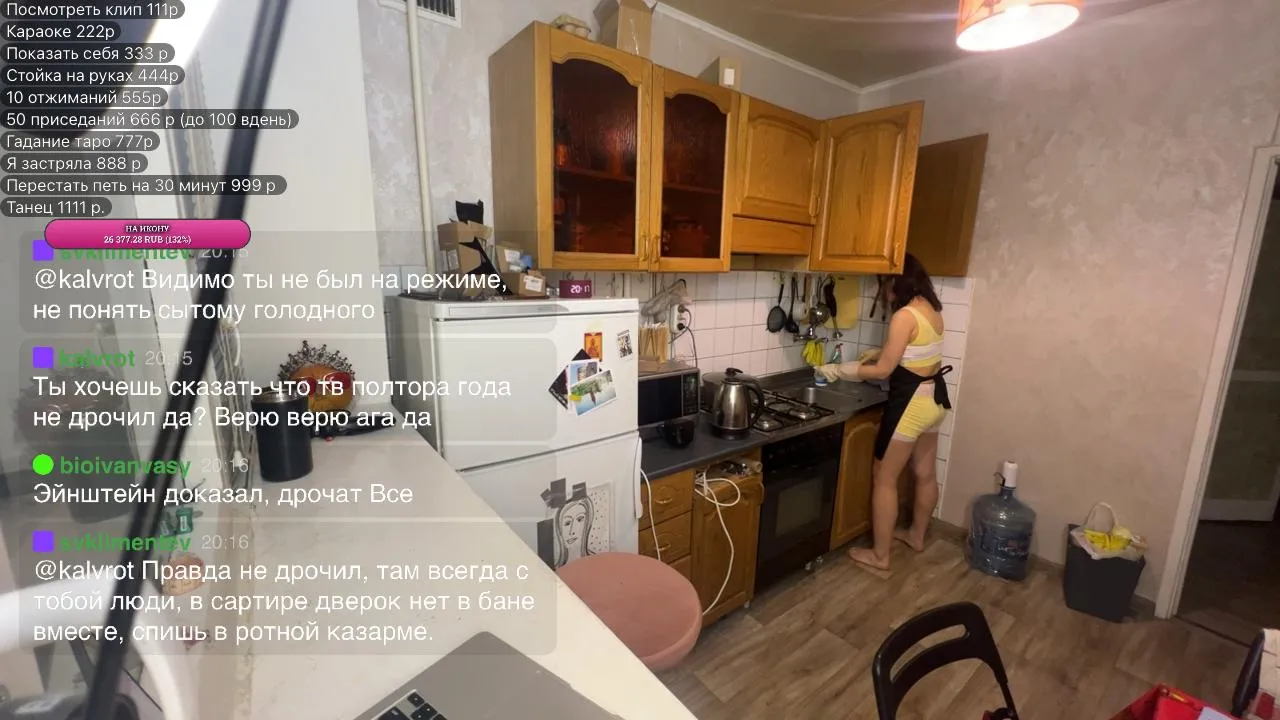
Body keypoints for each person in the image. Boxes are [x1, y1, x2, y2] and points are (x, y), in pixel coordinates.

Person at [817, 254, 952, 572]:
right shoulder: (932, 310)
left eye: (885, 283)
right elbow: (917, 354)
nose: (883, 291)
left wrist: (845, 369)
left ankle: (880, 555)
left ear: (898, 281)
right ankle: (916, 536)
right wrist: (881, 354)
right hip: (935, 399)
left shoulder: (904, 316)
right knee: (925, 473)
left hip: (912, 403)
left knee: (884, 477)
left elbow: (883, 371)